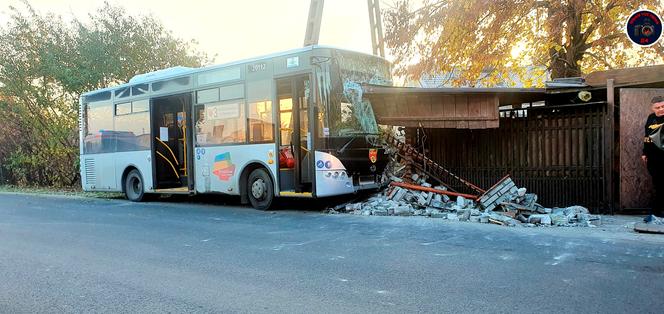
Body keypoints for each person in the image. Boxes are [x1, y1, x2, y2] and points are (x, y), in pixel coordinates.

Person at [642, 96, 664, 217]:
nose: (661, 109)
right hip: (653, 158)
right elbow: (647, 135)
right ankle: (657, 211)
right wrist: (644, 152)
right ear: (652, 108)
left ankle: (657, 211)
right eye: (658, 107)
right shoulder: (651, 118)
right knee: (658, 184)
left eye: (663, 106)